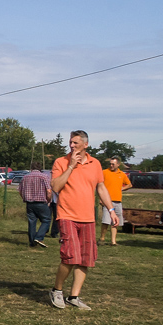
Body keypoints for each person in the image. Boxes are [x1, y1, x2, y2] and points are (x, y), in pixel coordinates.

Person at [50, 130, 115, 310]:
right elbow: (55, 186)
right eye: (70, 142)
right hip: (67, 215)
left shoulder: (95, 164)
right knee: (70, 257)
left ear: (86, 144)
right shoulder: (61, 162)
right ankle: (57, 290)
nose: (72, 146)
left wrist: (111, 210)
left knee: (86, 259)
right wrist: (71, 166)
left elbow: (101, 187)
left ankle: (74, 296)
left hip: (88, 218)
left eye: (76, 143)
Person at [19, 161, 53, 248]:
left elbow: (20, 190)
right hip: (41, 202)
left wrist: (24, 198)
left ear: (31, 168)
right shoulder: (44, 177)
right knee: (46, 220)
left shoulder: (25, 177)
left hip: (29, 203)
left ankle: (32, 241)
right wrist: (48, 200)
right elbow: (49, 191)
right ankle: (39, 237)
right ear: (40, 168)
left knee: (32, 222)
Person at [99, 157, 132, 246]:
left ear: (118, 164)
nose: (111, 165)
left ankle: (113, 241)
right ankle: (102, 238)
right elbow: (99, 185)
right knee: (106, 220)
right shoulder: (104, 172)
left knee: (115, 222)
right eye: (110, 164)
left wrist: (122, 188)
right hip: (107, 201)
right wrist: (101, 198)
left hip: (118, 200)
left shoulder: (122, 174)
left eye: (113, 164)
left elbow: (129, 184)